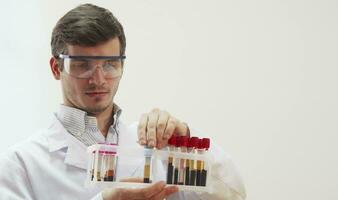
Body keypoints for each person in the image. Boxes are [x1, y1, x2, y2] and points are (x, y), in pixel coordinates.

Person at [0, 3, 246, 200]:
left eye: (109, 64)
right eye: (83, 65)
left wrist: (186, 141)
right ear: (56, 68)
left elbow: (232, 196)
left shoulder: (155, 148)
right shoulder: (21, 164)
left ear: (122, 64)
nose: (98, 79)